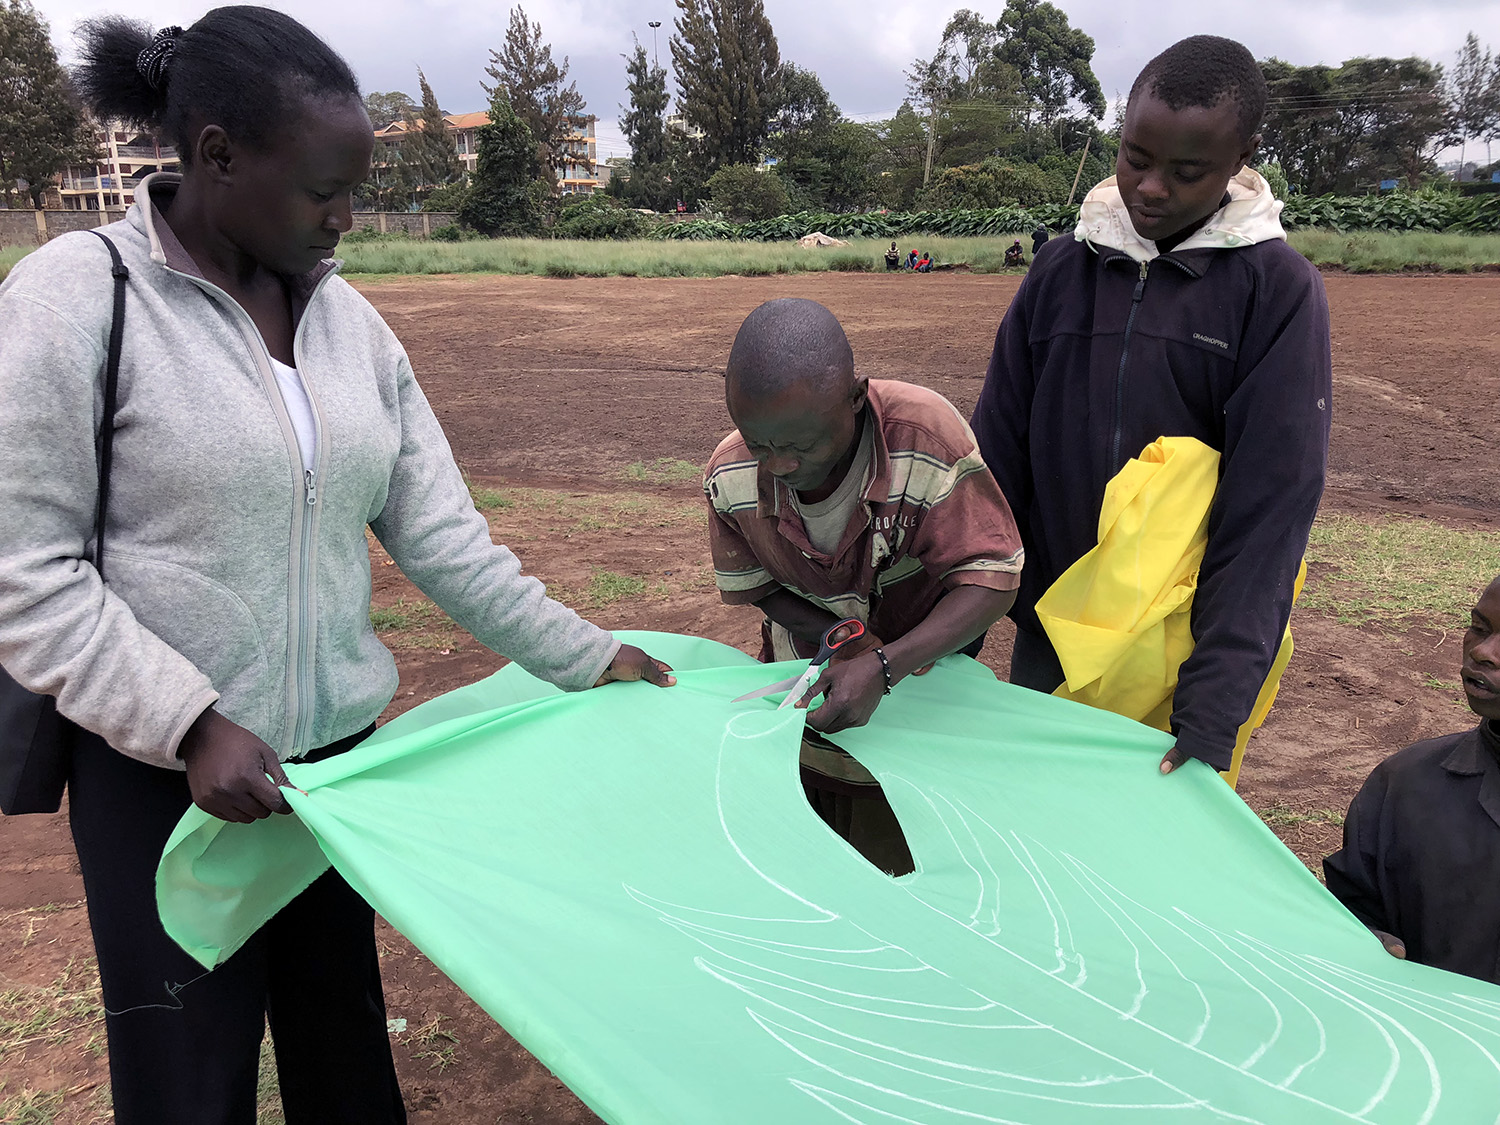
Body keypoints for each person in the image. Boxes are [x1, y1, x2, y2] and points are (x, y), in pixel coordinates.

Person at [0, 10, 674, 1123]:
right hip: (169, 783)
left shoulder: (349, 324)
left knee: (345, 1057)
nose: (347, 219)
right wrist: (187, 722)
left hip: (332, 784)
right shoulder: (78, 299)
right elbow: (28, 570)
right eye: (323, 191)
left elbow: (446, 535)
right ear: (217, 156)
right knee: (188, 1079)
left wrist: (591, 658)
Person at [971, 35, 1331, 779]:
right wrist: (956, 630)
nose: (1151, 188)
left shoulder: (1276, 291)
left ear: (1241, 158)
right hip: (1057, 625)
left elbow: (1269, 506)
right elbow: (994, 457)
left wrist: (1215, 701)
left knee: (1143, 858)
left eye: (1187, 171)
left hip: (1177, 646)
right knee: (1042, 826)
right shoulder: (1059, 271)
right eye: (1135, 156)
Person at [704, 298, 1024, 872]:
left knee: (907, 844)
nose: (777, 465)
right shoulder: (730, 475)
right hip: (804, 677)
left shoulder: (924, 441)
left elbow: (993, 581)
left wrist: (885, 665)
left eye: (800, 447)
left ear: (854, 400)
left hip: (924, 680)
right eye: (760, 444)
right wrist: (842, 637)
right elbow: (756, 587)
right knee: (810, 839)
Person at [1324, 577, 1500, 984]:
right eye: (1479, 627)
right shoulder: (1406, 785)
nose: (1482, 652)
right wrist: (1360, 940)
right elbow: (1351, 907)